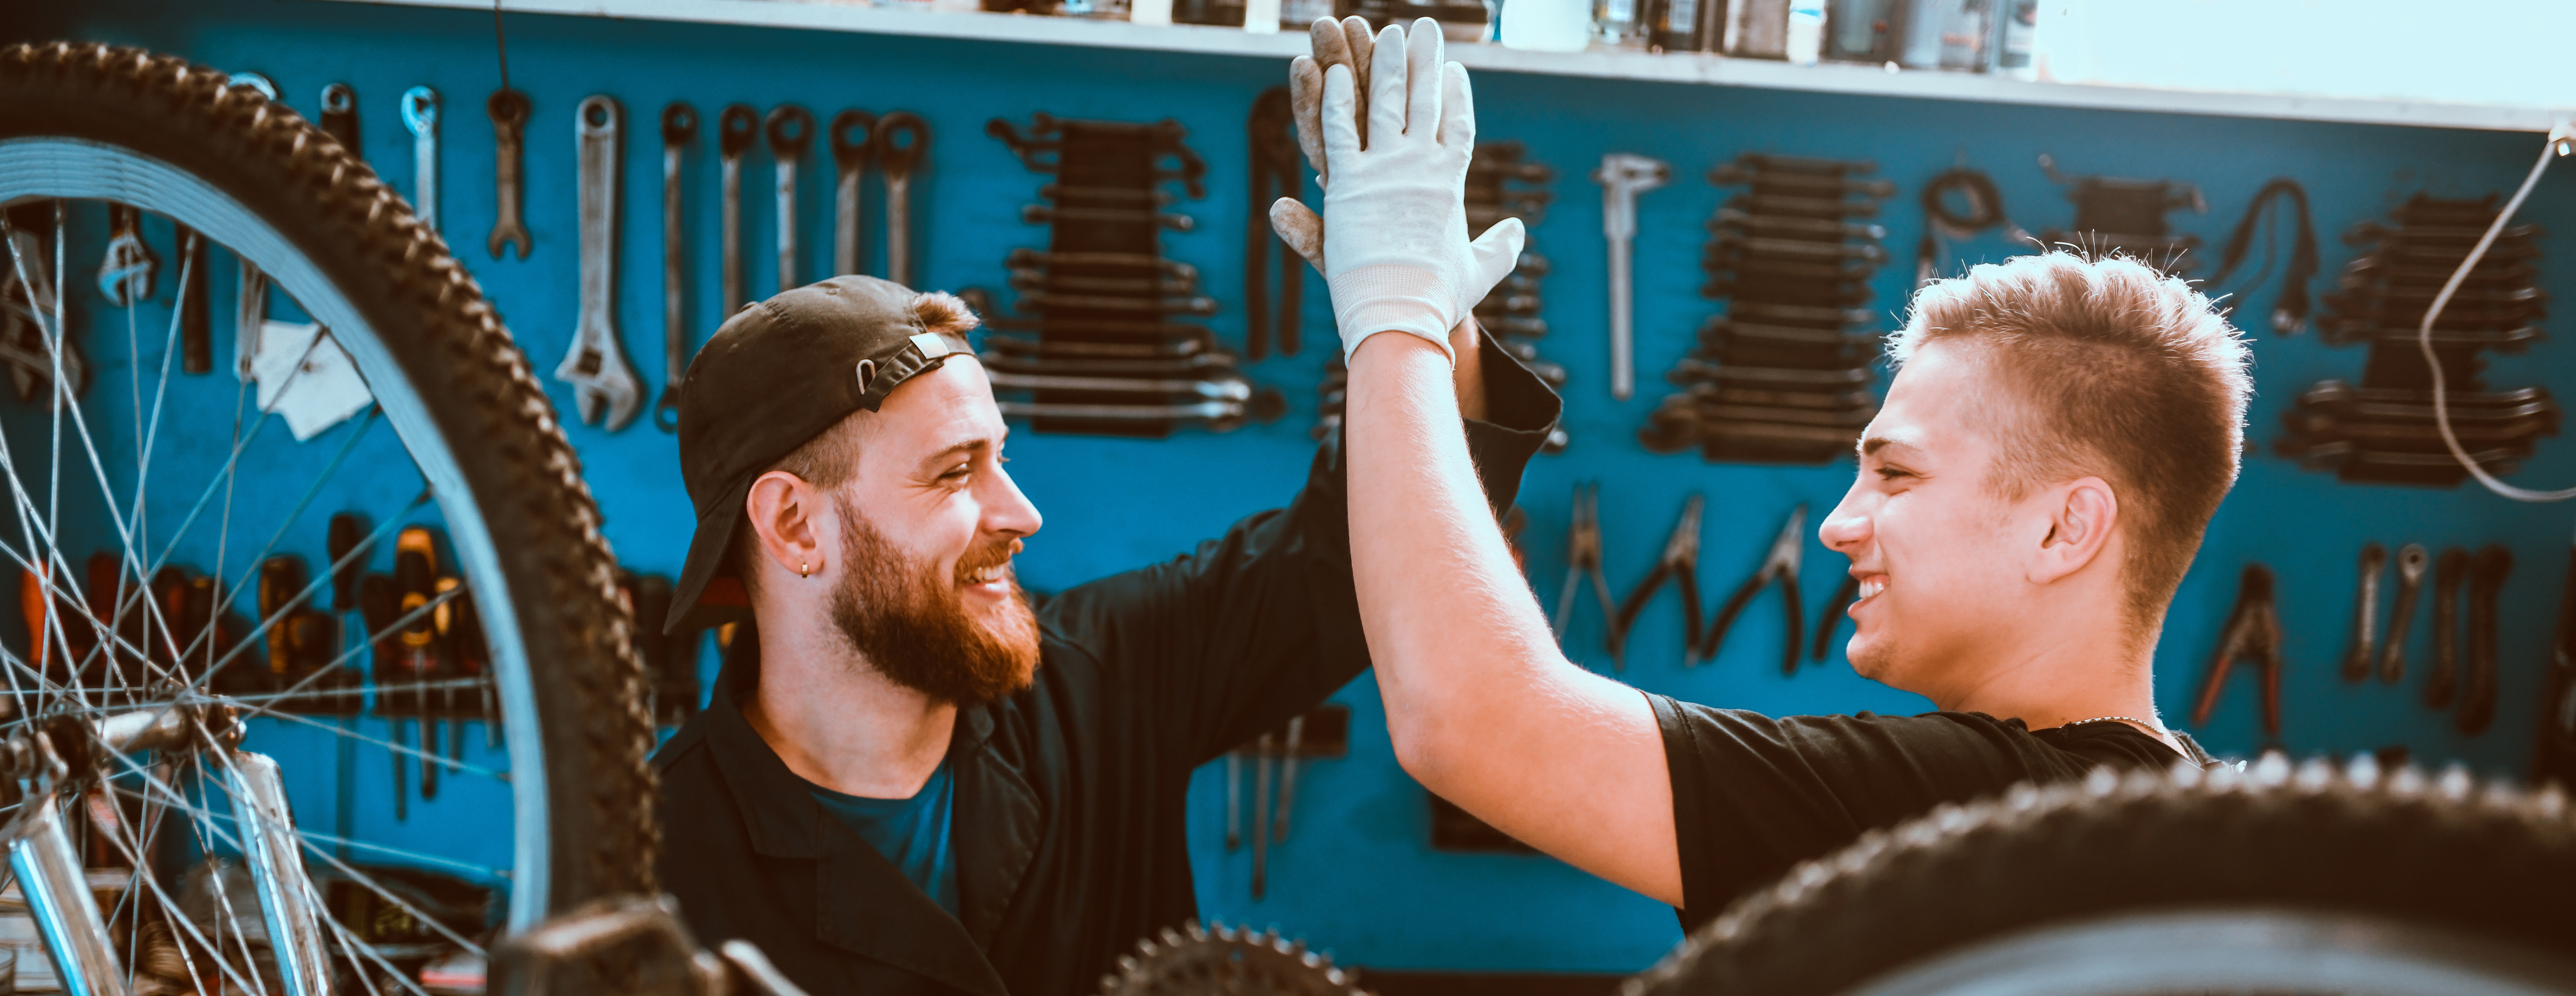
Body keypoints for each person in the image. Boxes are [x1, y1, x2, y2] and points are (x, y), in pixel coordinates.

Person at [1273, 19, 2240, 935]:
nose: (1836, 525)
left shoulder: (1980, 817)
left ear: (2066, 529)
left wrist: (1390, 310)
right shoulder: (2191, 818)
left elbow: (1472, 719)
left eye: (1896, 476)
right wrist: (1441, 329)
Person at [648, 275, 1559, 995]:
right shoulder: (647, 856)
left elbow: (1354, 558)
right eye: (954, 472)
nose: (1023, 512)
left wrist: (1428, 306)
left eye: (1001, 458)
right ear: (796, 526)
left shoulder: (1103, 677)